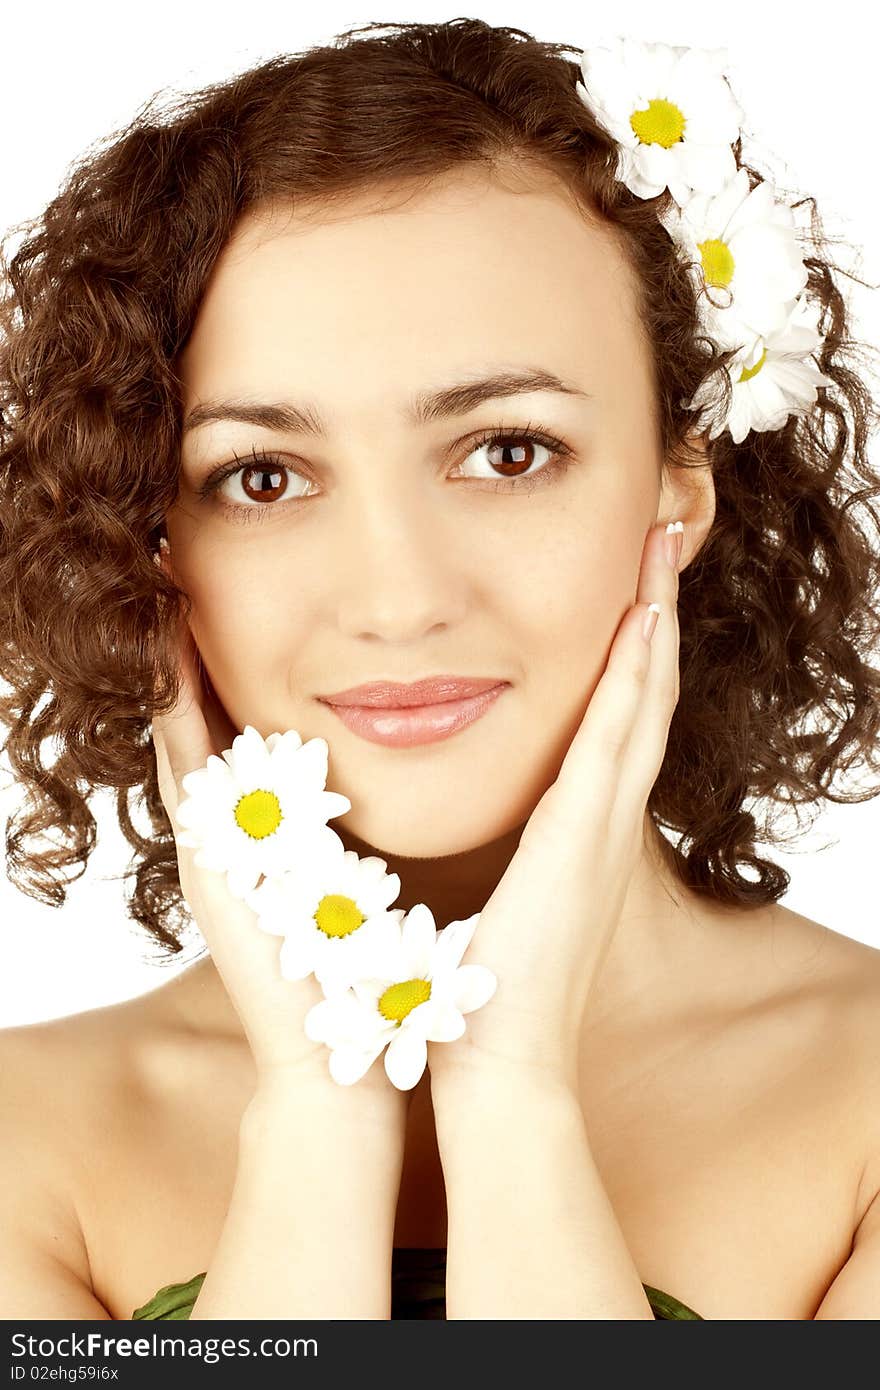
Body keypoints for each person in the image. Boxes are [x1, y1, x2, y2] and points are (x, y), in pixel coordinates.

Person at [1, 18, 879, 1321]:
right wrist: (317, 1109)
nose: (401, 598)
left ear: (678, 490)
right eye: (263, 476)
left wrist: (512, 1090)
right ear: (146, 542)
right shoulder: (29, 1146)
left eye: (507, 452)